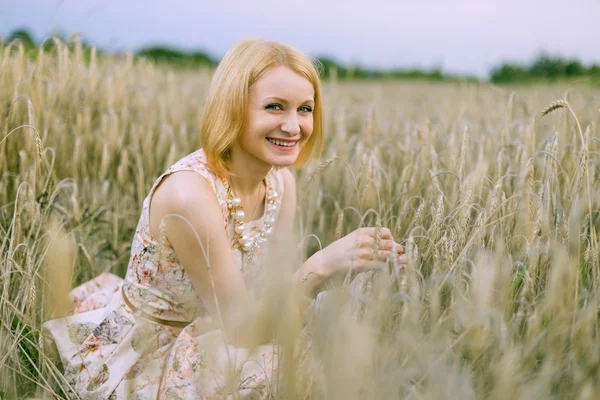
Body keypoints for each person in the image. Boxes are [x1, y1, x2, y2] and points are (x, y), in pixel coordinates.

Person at [42, 38, 406, 399]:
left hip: (231, 325)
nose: (293, 127)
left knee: (344, 344)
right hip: (157, 351)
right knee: (296, 371)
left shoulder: (281, 183)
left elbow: (268, 292)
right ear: (232, 108)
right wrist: (322, 265)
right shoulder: (189, 195)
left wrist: (357, 272)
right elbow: (241, 331)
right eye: (275, 107)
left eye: (305, 109)